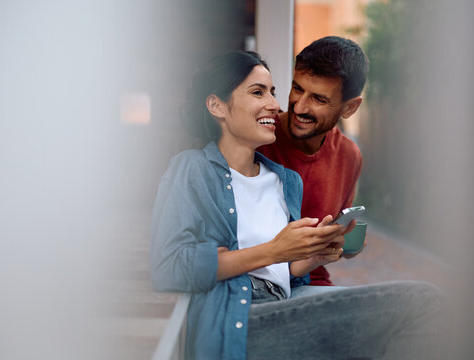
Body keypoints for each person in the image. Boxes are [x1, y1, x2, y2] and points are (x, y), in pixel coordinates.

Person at [151, 50, 448, 360]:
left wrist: (311, 256)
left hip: (286, 300)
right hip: (238, 316)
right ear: (217, 105)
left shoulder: (285, 180)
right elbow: (169, 265)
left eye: (273, 92)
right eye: (258, 92)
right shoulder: (192, 169)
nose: (275, 105)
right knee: (424, 304)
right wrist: (274, 250)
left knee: (412, 315)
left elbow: (278, 273)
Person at [258, 36, 367, 285]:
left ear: (349, 108)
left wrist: (344, 242)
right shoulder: (258, 136)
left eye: (318, 99)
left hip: (313, 283)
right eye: (297, 88)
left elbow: (335, 242)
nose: (299, 107)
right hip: (258, 284)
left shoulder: (349, 156)